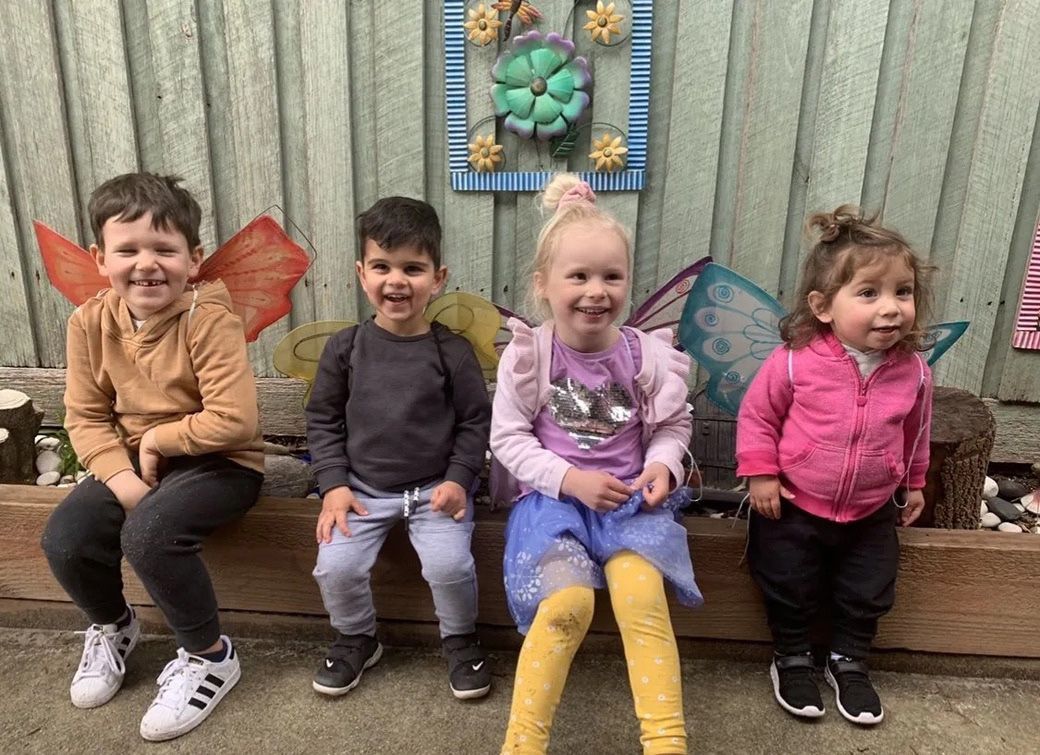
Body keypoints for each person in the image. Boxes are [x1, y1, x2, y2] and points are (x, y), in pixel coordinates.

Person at [40, 173, 265, 741]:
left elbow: (234, 420)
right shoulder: (89, 322)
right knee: (66, 538)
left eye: (164, 249)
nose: (147, 264)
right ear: (100, 258)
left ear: (193, 259)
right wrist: (122, 479)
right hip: (133, 461)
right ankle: (114, 625)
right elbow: (85, 417)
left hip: (221, 462)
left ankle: (210, 656)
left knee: (150, 534)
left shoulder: (208, 320)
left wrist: (157, 442)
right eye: (128, 250)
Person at [492, 174, 702, 754]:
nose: (596, 291)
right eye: (578, 276)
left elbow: (673, 425)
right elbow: (507, 438)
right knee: (567, 606)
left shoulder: (645, 355)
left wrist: (664, 465)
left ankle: (666, 743)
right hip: (552, 506)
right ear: (543, 284)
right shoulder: (531, 356)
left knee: (641, 600)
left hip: (629, 505)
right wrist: (570, 479)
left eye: (612, 276)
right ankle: (522, 745)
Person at [736, 206, 933, 726]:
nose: (891, 308)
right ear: (823, 306)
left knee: (868, 589)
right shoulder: (794, 361)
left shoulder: (913, 372)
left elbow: (916, 431)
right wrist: (761, 474)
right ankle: (792, 657)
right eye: (869, 293)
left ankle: (849, 661)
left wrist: (913, 483)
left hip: (871, 510)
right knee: (787, 582)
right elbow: (758, 416)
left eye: (903, 292)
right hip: (794, 504)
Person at [306, 196, 493, 700]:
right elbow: (322, 420)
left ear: (438, 278)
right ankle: (356, 638)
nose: (397, 281)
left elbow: (475, 422)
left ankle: (460, 640)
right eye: (382, 267)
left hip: (434, 492)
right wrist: (334, 485)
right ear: (361, 273)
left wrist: (459, 479)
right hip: (361, 491)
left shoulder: (451, 353)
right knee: (336, 566)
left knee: (449, 566)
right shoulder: (345, 349)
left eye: (413, 268)